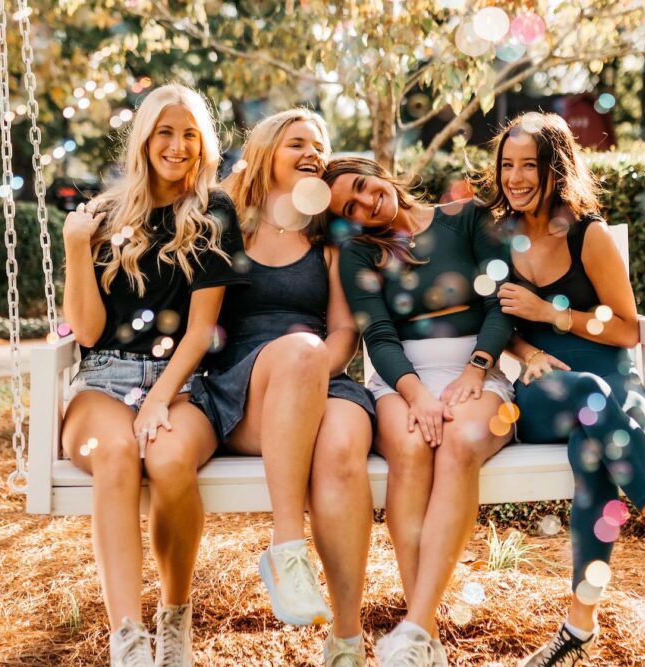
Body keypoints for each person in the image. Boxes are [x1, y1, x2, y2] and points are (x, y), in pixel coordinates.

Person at [479, 112, 645, 667]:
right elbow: (502, 330)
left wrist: (553, 313)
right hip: (546, 390)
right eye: (507, 165)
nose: (516, 177)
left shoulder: (587, 235)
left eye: (530, 165)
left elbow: (625, 329)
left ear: (555, 168)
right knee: (588, 397)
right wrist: (526, 350)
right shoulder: (495, 236)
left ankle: (577, 627)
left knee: (590, 443)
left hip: (615, 386)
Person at [61, 83, 248, 667]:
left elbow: (200, 332)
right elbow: (88, 333)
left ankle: (174, 619)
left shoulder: (215, 212)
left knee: (167, 460)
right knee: (116, 454)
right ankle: (129, 639)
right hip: (102, 380)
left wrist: (158, 400)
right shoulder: (106, 215)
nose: (177, 145)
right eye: (165, 132)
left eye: (189, 134)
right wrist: (74, 247)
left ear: (203, 144)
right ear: (144, 139)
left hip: (182, 383)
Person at [189, 109, 375, 666]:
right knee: (298, 350)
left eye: (320, 144)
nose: (314, 152)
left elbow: (343, 331)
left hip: (325, 378)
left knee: (342, 449)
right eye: (298, 143)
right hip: (245, 393)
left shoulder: (329, 239)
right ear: (268, 152)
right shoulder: (227, 227)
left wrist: (317, 370)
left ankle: (347, 637)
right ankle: (286, 546)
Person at [323, 156, 515, 667]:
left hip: (476, 369)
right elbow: (378, 335)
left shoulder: (467, 217)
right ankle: (422, 639)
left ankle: (415, 628)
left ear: (380, 172)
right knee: (409, 449)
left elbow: (500, 305)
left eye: (364, 186)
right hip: (400, 377)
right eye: (351, 207)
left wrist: (475, 370)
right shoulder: (359, 254)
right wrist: (416, 394)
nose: (366, 203)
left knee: (458, 443)